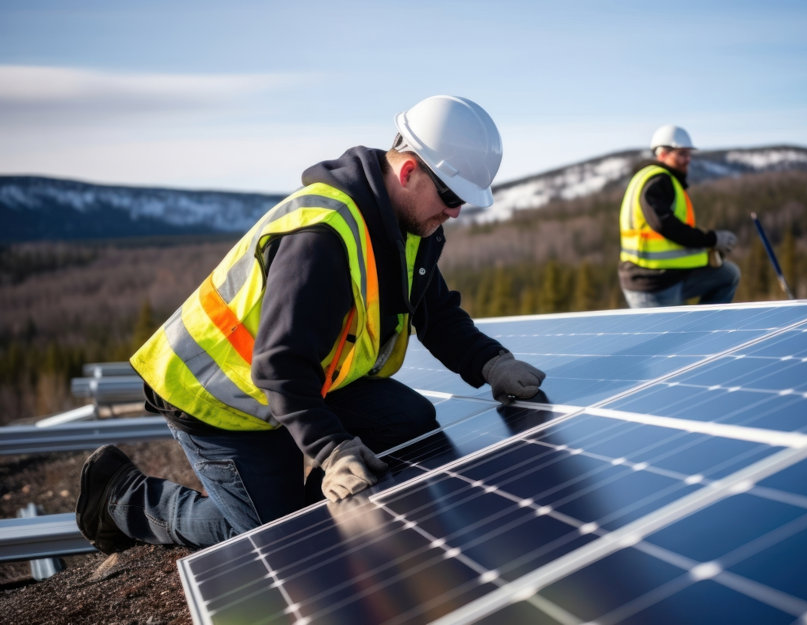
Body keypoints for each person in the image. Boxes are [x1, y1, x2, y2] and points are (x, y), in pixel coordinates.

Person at [75, 95, 546, 553]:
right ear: (408, 171)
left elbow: (436, 312)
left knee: (410, 424)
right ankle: (123, 498)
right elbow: (280, 366)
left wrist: (491, 363)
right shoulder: (321, 237)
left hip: (304, 380)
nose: (455, 212)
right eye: (450, 195)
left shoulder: (408, 227)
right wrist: (334, 450)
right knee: (283, 535)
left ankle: (309, 477)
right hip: (220, 398)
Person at [618, 124, 740, 308]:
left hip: (668, 276)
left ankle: (702, 332)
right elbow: (665, 225)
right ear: (662, 154)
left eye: (688, 154)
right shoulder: (659, 180)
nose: (687, 159)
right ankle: (698, 333)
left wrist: (706, 249)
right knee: (671, 336)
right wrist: (711, 239)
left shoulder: (654, 178)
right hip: (651, 282)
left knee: (727, 275)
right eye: (681, 154)